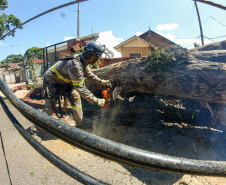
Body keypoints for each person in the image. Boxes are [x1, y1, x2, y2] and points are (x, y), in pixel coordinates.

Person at [30, 40, 112, 137]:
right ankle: (34, 129)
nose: (98, 58)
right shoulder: (75, 65)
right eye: (97, 55)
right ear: (92, 55)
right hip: (52, 82)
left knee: (75, 98)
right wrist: (97, 101)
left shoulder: (82, 61)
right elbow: (81, 88)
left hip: (65, 82)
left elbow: (88, 74)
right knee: (50, 109)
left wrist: (101, 81)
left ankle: (80, 126)